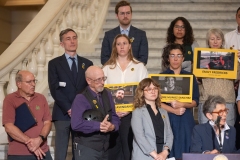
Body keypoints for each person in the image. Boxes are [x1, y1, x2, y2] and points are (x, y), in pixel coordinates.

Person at [48, 28, 93, 160]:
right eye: (68, 39)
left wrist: (79, 108)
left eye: (74, 38)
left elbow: (89, 89)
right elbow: (55, 89)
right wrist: (69, 108)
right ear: (62, 44)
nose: (72, 41)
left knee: (79, 151)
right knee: (61, 151)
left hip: (82, 114)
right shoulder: (54, 64)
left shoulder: (87, 63)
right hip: (62, 114)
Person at [102, 34, 148, 160]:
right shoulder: (106, 68)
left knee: (129, 148)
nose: (122, 46)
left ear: (130, 46)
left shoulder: (139, 67)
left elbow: (145, 91)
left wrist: (130, 108)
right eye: (118, 44)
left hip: (133, 114)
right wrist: (114, 110)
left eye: (124, 43)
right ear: (115, 47)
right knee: (113, 149)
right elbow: (102, 93)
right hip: (112, 114)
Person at [70, 66, 120, 160]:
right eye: (98, 80)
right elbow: (76, 124)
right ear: (89, 81)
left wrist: (113, 126)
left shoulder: (107, 94)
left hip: (105, 148)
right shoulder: (81, 98)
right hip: (87, 148)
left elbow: (114, 115)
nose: (102, 82)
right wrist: (99, 126)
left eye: (103, 78)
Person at [160, 43, 199, 159]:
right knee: (169, 148)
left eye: (178, 55)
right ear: (168, 58)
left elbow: (195, 101)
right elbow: (156, 102)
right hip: (167, 117)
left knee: (186, 148)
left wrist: (182, 104)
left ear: (183, 58)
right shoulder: (161, 77)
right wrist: (173, 110)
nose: (175, 58)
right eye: (172, 55)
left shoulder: (190, 77)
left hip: (185, 117)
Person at [2, 70, 52, 160]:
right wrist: (31, 143)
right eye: (29, 82)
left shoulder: (41, 98)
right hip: (19, 153)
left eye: (34, 81)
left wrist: (39, 139)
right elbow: (9, 127)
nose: (33, 84)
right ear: (19, 84)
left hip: (43, 151)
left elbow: (47, 122)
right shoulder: (10, 99)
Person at [198, 28, 236, 127]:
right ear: (208, 41)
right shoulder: (201, 56)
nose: (215, 42)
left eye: (218, 38)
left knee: (227, 134)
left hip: (227, 100)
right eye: (212, 39)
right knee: (206, 135)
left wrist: (236, 60)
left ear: (222, 41)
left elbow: (236, 76)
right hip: (207, 100)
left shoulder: (230, 56)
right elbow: (197, 77)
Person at [131, 78, 173, 160]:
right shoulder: (138, 112)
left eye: (155, 88)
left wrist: (165, 152)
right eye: (149, 89)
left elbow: (169, 134)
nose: (153, 91)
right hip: (145, 156)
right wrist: (155, 155)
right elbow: (140, 137)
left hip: (163, 155)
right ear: (142, 92)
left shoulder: (164, 112)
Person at [101, 0, 148, 65]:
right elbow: (104, 59)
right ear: (117, 15)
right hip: (114, 72)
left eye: (128, 13)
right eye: (122, 13)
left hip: (134, 72)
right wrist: (118, 68)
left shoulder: (141, 35)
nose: (125, 16)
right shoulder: (108, 35)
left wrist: (130, 68)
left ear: (131, 14)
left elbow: (143, 59)